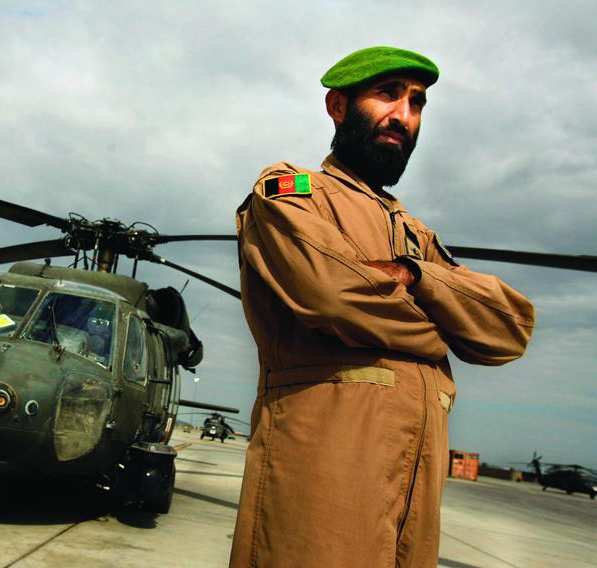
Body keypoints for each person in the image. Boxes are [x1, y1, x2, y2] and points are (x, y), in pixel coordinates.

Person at [229, 47, 535, 567]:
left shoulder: (418, 237)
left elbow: (508, 330)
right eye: (387, 95)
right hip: (324, 489)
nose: (404, 116)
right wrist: (442, 330)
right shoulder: (293, 192)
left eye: (416, 103)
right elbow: (334, 294)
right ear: (338, 106)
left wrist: (415, 275)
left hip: (414, 505)